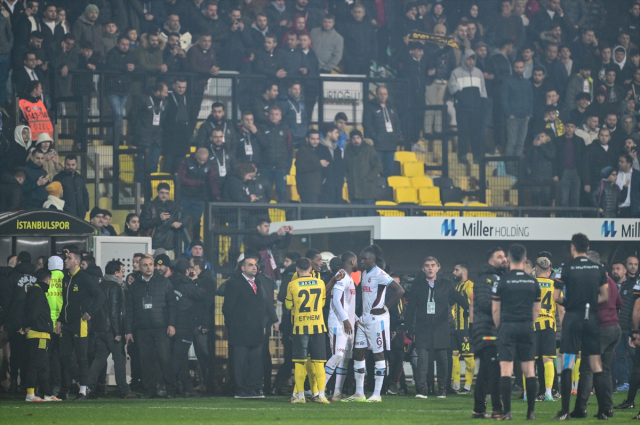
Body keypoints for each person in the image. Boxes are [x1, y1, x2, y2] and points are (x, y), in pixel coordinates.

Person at [553, 233, 610, 420]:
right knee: (596, 365)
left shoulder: (565, 268)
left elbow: (556, 297)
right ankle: (603, 411)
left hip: (573, 317)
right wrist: (591, 302)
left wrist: (569, 303)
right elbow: (605, 296)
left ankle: (564, 412)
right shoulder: (599, 268)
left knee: (568, 362)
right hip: (591, 318)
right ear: (588, 247)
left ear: (572, 247)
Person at [343, 245, 405, 403]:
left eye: (365, 259)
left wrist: (385, 308)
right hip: (364, 320)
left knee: (379, 355)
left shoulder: (380, 274)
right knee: (358, 353)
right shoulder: (363, 273)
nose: (361, 261)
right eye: (361, 258)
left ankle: (377, 394)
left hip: (378, 321)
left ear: (374, 260)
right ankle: (359, 393)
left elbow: (400, 291)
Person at [406, 256, 468, 399]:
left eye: (433, 265)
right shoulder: (417, 284)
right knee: (422, 360)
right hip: (423, 327)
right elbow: (411, 308)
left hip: (441, 327)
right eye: (427, 265)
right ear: (423, 269)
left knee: (442, 360)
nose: (430, 268)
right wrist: (409, 327)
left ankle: (442, 389)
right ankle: (421, 390)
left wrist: (468, 308)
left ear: (438, 268)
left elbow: (458, 297)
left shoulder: (446, 284)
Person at [492, 244, 541, 420]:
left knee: (506, 370)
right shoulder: (533, 282)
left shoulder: (502, 281)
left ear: (509, 259)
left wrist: (501, 327)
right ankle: (531, 412)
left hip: (507, 326)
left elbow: (495, 310)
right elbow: (537, 310)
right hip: (526, 326)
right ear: (525, 259)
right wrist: (528, 323)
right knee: (529, 370)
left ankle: (507, 412)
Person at [572, 250, 622, 418]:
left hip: (599, 329)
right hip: (613, 328)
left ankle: (581, 408)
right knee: (604, 369)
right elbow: (619, 304)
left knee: (587, 369)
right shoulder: (610, 281)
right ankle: (607, 409)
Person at [286, 257, 342, 404]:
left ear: (297, 269)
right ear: (310, 269)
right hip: (318, 327)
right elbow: (323, 302)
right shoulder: (320, 282)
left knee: (299, 363)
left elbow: (287, 305)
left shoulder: (292, 284)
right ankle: (321, 395)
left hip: (300, 327)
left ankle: (300, 396)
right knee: (319, 364)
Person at [55, 248, 105, 401]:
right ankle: (79, 381)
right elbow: (65, 303)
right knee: (64, 355)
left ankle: (83, 391)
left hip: (80, 323)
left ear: (77, 261)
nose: (65, 260)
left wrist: (90, 312)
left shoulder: (84, 278)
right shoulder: (65, 278)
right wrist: (59, 319)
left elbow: (100, 296)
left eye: (68, 258)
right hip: (66, 323)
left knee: (82, 358)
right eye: (65, 258)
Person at [125, 255, 177, 399]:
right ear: (139, 267)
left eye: (150, 264)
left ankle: (170, 389)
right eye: (145, 265)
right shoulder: (134, 286)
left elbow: (172, 305)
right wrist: (128, 331)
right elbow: (130, 310)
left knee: (165, 359)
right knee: (146, 360)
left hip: (161, 327)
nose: (149, 267)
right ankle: (149, 389)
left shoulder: (164, 282)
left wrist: (172, 324)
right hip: (142, 329)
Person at [86, 260, 136, 399]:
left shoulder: (99, 285)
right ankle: (124, 390)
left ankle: (88, 387)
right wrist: (118, 332)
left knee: (99, 360)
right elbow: (114, 311)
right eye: (121, 271)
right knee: (119, 360)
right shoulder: (115, 287)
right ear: (116, 273)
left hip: (98, 330)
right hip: (111, 331)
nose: (122, 274)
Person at [222, 254, 270, 398]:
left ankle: (253, 388)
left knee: (255, 362)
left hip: (256, 329)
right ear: (242, 268)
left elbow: (262, 306)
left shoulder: (259, 283)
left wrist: (263, 323)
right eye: (250, 265)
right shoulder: (234, 283)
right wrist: (232, 326)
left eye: (255, 265)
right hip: (240, 330)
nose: (254, 267)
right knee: (240, 362)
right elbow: (227, 308)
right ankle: (241, 389)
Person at [472, 247, 508, 419]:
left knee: (485, 373)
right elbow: (485, 303)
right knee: (495, 372)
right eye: (500, 257)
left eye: (504, 256)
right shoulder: (485, 280)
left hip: (492, 330)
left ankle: (478, 410)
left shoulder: (498, 278)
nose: (504, 259)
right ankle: (497, 410)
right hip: (487, 332)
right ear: (490, 261)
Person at [324, 251, 357, 401]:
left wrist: (356, 319)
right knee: (338, 354)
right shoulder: (342, 275)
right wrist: (345, 319)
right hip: (339, 323)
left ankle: (337, 392)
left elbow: (348, 304)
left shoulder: (349, 278)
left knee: (345, 359)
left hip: (348, 324)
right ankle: (319, 389)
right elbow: (335, 300)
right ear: (352, 261)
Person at [170, 258, 205, 398]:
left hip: (172, 324)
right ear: (187, 271)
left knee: (181, 358)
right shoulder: (188, 285)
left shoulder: (171, 283)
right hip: (185, 325)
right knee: (178, 358)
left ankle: (188, 388)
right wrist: (195, 280)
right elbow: (201, 296)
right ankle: (165, 384)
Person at [23, 268, 59, 402]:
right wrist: (28, 325)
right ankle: (30, 395)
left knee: (44, 366)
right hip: (39, 334)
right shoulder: (38, 293)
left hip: (40, 334)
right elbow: (34, 313)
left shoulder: (34, 291)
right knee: (36, 365)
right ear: (48, 280)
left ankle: (47, 394)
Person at [449, 49, 487, 164]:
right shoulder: (456, 72)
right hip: (462, 109)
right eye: (468, 59)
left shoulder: (479, 73)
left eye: (473, 59)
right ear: (464, 59)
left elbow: (483, 90)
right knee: (463, 132)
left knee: (476, 133)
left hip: (476, 108)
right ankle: (462, 155)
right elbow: (452, 88)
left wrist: (483, 104)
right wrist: (463, 99)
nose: (470, 62)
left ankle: (477, 156)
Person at [128, 82, 168, 183]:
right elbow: (132, 116)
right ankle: (141, 191)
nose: (167, 95)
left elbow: (164, 120)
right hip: (144, 139)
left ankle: (151, 191)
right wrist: (140, 131)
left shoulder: (165, 103)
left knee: (154, 165)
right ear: (158, 92)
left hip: (157, 139)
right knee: (142, 165)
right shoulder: (142, 99)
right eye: (165, 92)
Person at [363, 86, 403, 177]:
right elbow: (366, 123)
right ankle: (377, 190)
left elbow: (397, 122)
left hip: (390, 144)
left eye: (385, 94)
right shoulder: (370, 107)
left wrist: (396, 136)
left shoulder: (391, 107)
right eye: (381, 94)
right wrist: (375, 137)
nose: (383, 96)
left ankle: (387, 190)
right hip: (378, 145)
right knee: (377, 169)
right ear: (376, 94)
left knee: (389, 170)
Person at [105, 35, 137, 143]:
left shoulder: (131, 54)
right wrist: (125, 67)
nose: (125, 47)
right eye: (123, 44)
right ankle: (117, 137)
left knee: (117, 114)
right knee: (118, 113)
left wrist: (134, 68)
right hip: (112, 90)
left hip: (124, 90)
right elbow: (109, 65)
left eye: (127, 44)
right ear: (117, 44)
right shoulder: (112, 53)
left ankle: (112, 137)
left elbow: (139, 65)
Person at [257, 106, 291, 203]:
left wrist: (286, 167)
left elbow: (289, 149)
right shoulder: (262, 128)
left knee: (282, 193)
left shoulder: (285, 130)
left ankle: (287, 217)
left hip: (280, 168)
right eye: (272, 114)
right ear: (268, 115)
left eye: (276, 114)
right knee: (266, 193)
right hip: (265, 167)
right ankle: (264, 217)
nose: (274, 116)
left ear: (280, 116)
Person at [343, 129, 383, 213]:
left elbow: (378, 166)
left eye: (358, 138)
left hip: (368, 191)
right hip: (353, 192)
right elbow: (344, 168)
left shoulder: (369, 150)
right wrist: (349, 178)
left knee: (370, 219)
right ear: (350, 140)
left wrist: (368, 178)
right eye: (353, 138)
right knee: (358, 221)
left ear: (362, 138)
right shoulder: (347, 151)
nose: (356, 140)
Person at [502, 60, 533, 162]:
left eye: (521, 67)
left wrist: (529, 114)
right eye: (517, 67)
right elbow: (504, 99)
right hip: (513, 118)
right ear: (513, 68)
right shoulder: (508, 82)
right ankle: (509, 167)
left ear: (524, 68)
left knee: (520, 144)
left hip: (524, 117)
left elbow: (531, 99)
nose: (519, 69)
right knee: (512, 143)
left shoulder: (527, 83)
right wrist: (509, 114)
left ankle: (518, 168)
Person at [139, 182, 184, 255]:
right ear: (157, 193)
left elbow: (186, 216)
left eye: (167, 193)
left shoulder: (173, 205)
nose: (164, 195)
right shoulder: (149, 205)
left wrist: (180, 223)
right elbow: (143, 224)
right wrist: (159, 219)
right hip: (153, 245)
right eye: (162, 193)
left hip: (168, 245)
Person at [451, 262, 474, 394]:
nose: (454, 272)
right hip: (455, 328)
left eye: (456, 270)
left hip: (465, 328)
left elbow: (473, 304)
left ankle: (468, 386)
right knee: (454, 356)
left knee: (468, 357)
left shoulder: (469, 285)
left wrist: (472, 324)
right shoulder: (457, 287)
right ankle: (456, 385)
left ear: (464, 272)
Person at [162, 77, 192, 174]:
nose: (181, 89)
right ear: (174, 85)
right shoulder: (168, 98)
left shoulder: (188, 98)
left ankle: (177, 189)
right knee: (167, 168)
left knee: (179, 171)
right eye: (179, 87)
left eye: (184, 87)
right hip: (170, 139)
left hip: (183, 140)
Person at [553, 121, 586, 210]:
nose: (570, 128)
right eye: (568, 126)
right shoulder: (558, 140)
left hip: (576, 171)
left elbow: (583, 159)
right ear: (564, 127)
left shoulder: (580, 140)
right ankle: (564, 220)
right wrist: (555, 173)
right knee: (564, 198)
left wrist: (582, 173)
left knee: (575, 198)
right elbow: (555, 158)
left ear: (575, 128)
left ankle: (574, 221)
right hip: (563, 171)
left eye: (572, 126)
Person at [341, 5, 376, 75]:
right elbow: (342, 43)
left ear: (364, 13)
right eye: (355, 12)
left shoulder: (369, 26)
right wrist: (347, 57)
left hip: (366, 60)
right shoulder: (346, 26)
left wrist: (373, 56)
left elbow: (374, 41)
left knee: (365, 83)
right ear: (352, 13)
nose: (357, 14)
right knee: (352, 84)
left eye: (359, 12)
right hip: (351, 60)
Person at [53, 155, 89, 219]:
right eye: (68, 165)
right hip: (65, 214)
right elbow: (54, 196)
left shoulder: (80, 178)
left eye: (73, 165)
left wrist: (85, 208)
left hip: (80, 214)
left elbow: (85, 194)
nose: (71, 167)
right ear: (64, 164)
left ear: (76, 165)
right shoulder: (58, 178)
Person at [295, 129, 324, 204]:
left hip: (315, 188)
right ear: (307, 139)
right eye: (313, 139)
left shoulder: (317, 150)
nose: (315, 141)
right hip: (307, 189)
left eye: (317, 139)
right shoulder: (302, 151)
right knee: (310, 214)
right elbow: (300, 167)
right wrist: (318, 163)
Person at [318, 123, 344, 204]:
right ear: (329, 134)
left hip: (337, 188)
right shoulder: (318, 148)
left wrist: (341, 181)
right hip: (324, 189)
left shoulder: (338, 150)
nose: (338, 135)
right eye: (336, 133)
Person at [278, 81, 307, 149]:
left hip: (302, 137)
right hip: (290, 137)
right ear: (289, 89)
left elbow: (305, 119)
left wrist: (304, 131)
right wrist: (289, 132)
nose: (297, 91)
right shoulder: (284, 102)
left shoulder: (302, 103)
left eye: (298, 89)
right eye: (295, 89)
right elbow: (282, 120)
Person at [617, 153, 640, 218]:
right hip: (616, 210)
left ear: (629, 164)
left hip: (632, 209)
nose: (619, 163)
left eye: (622, 162)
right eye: (619, 161)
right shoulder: (615, 173)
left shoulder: (636, 174)